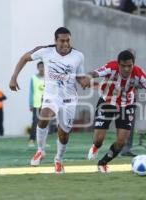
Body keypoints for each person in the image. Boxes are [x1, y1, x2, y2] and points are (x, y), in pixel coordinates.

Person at [9, 27, 89, 173]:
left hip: (69, 99)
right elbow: (24, 58)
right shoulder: (45, 51)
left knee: (63, 134)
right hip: (51, 96)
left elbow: (80, 76)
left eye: (68, 41)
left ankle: (58, 159)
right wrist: (14, 77)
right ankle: (40, 151)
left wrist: (84, 81)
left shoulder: (78, 56)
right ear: (55, 41)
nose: (65, 44)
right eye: (62, 41)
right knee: (43, 117)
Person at [86, 50, 146, 173]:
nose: (126, 69)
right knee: (98, 139)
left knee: (121, 142)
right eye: (123, 66)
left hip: (127, 105)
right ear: (118, 64)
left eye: (129, 66)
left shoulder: (139, 73)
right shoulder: (111, 67)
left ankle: (102, 163)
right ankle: (95, 147)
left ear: (133, 64)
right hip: (107, 102)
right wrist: (87, 78)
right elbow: (94, 73)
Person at [28, 61, 45, 147]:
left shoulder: (48, 78)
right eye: (40, 67)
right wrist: (30, 103)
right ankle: (31, 140)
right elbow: (31, 91)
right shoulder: (33, 78)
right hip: (36, 104)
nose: (42, 68)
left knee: (44, 123)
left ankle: (42, 142)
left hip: (46, 104)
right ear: (38, 68)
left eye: (43, 66)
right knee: (35, 122)